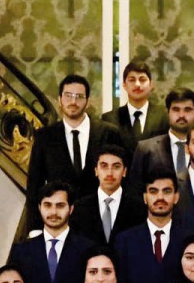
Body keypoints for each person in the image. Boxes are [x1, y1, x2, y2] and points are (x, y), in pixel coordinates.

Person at [25, 73, 125, 214]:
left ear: (88, 101)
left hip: (100, 220)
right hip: (59, 220)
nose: (73, 102)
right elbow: (34, 187)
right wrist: (35, 229)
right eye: (68, 96)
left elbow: (123, 180)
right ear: (60, 100)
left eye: (79, 97)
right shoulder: (45, 136)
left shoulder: (109, 133)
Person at [7, 180, 94, 283]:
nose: (53, 212)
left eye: (60, 206)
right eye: (48, 205)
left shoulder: (87, 249)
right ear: (39, 207)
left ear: (71, 209)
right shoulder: (21, 251)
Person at [113, 171, 194, 283]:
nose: (160, 197)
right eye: (153, 191)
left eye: (167, 191)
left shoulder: (190, 239)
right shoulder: (124, 241)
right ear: (145, 197)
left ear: (176, 197)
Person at [70, 145, 146, 245]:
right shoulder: (79, 208)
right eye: (104, 166)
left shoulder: (139, 208)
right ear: (96, 171)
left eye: (116, 167)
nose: (109, 173)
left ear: (124, 172)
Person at [128, 87, 194, 186]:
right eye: (176, 109)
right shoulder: (146, 149)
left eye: (187, 110)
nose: (182, 115)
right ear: (167, 112)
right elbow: (135, 190)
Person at [101, 60, 168, 154]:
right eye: (132, 80)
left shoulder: (164, 115)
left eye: (142, 80)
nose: (137, 84)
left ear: (150, 84)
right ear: (124, 85)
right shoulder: (110, 119)